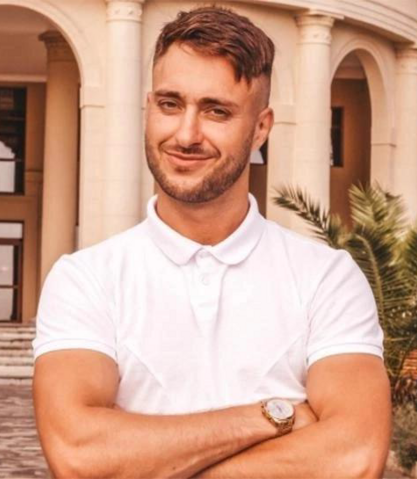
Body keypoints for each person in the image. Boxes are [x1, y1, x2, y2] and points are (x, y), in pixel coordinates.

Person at [32, 6, 391, 478]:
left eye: (216, 111)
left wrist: (147, 461)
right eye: (169, 104)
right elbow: (80, 457)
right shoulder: (85, 280)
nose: (186, 134)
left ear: (260, 128)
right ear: (148, 107)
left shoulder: (327, 277)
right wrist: (271, 417)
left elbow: (354, 456)